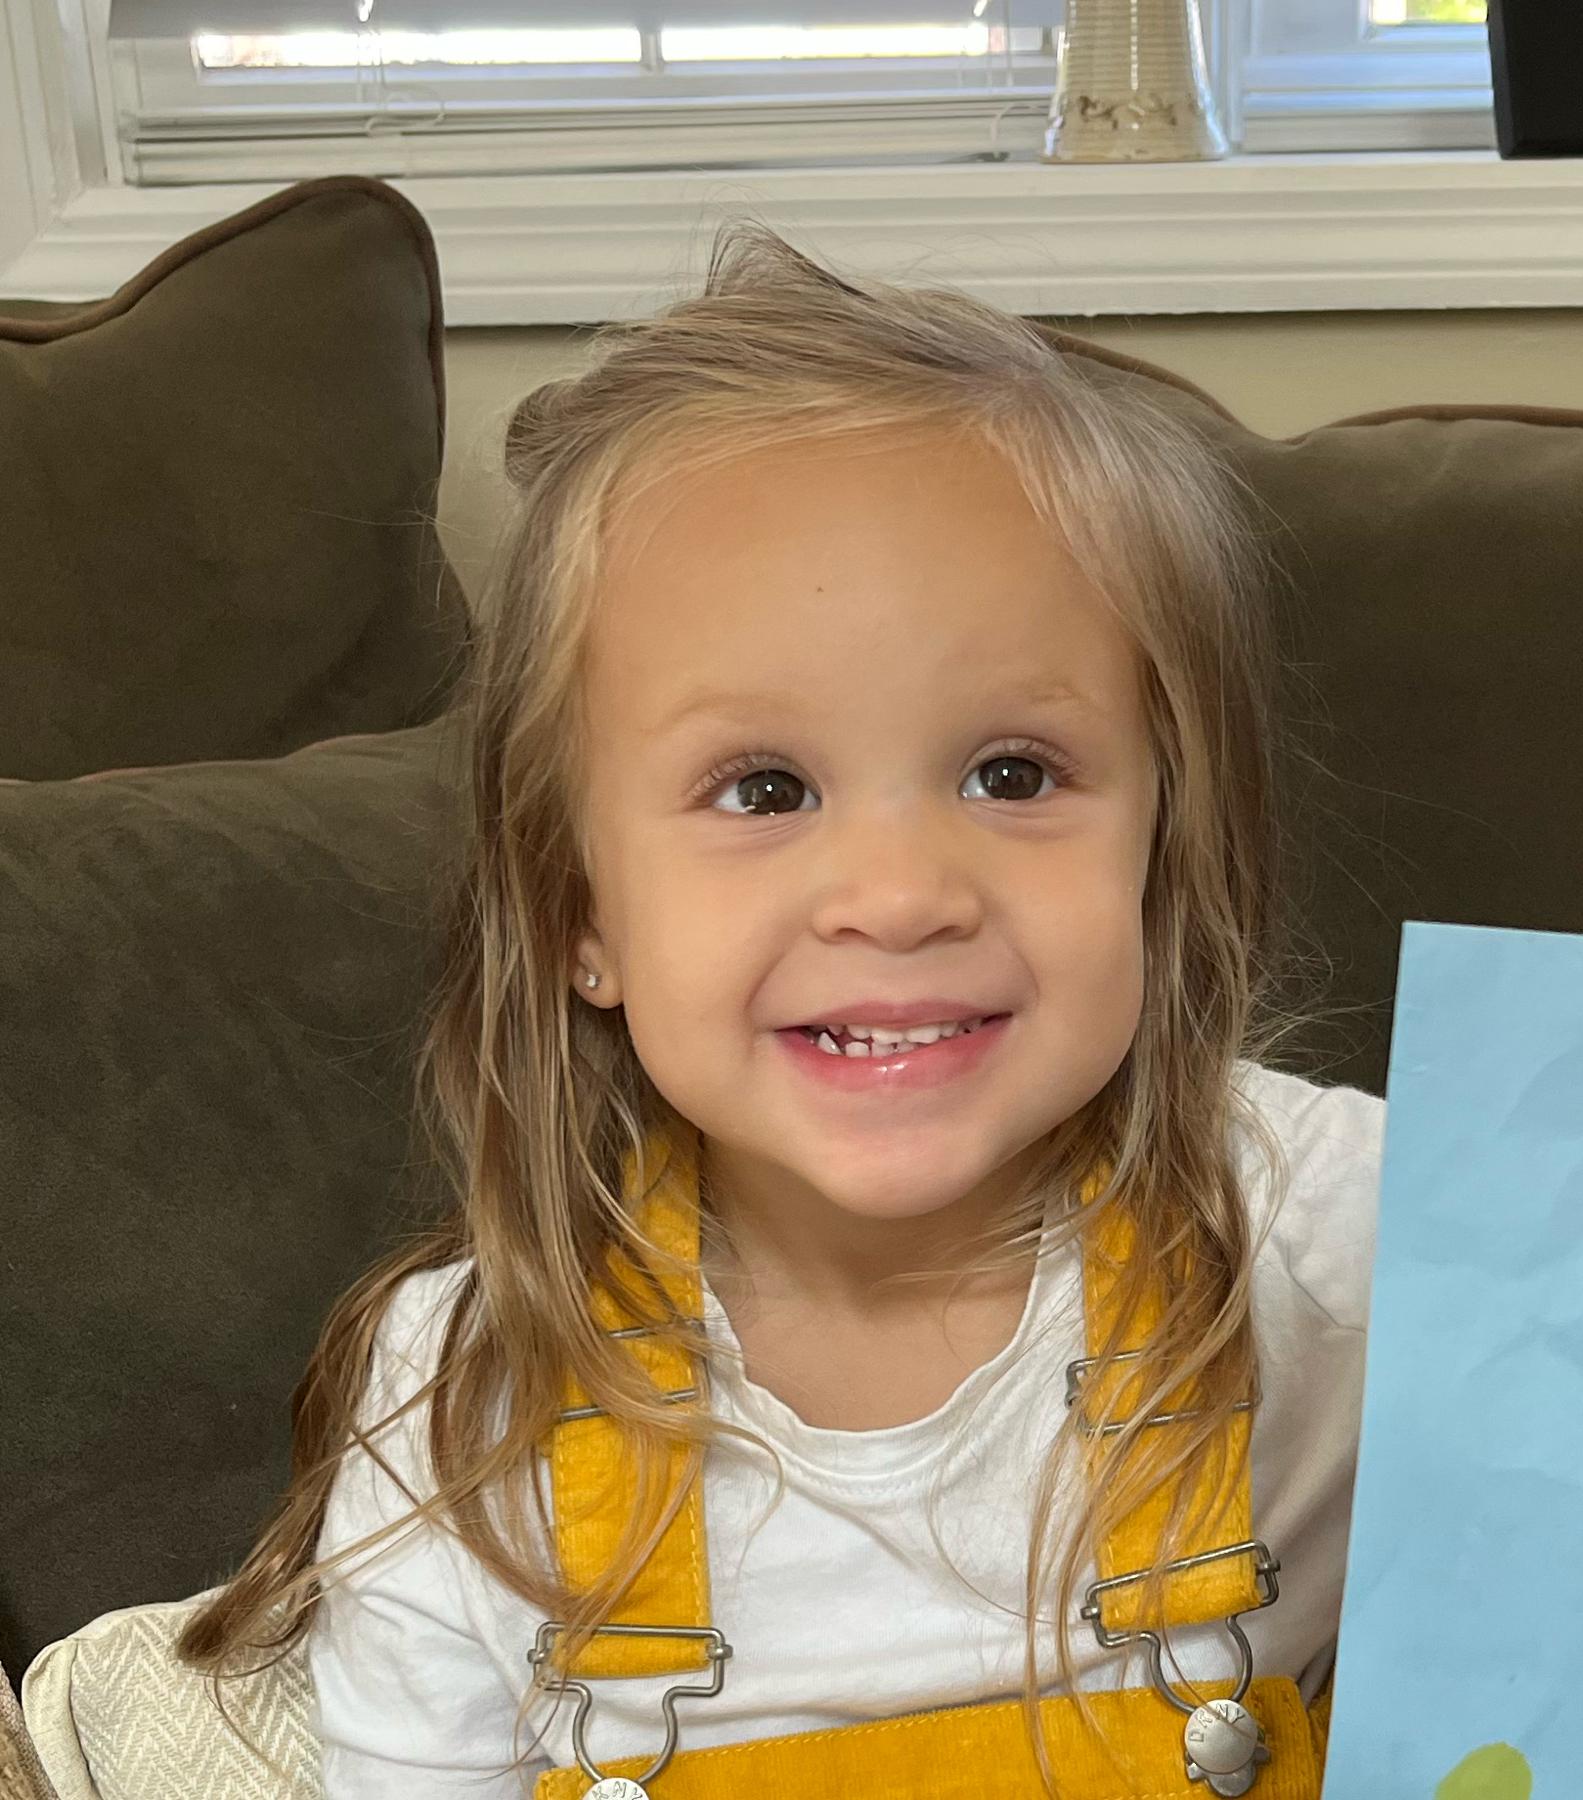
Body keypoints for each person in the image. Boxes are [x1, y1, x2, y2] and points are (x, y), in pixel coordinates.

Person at [175, 217, 1385, 1800]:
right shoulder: (467, 1404)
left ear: (1164, 849)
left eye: (1012, 773)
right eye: (764, 789)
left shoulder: (1339, 1234)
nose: (899, 893)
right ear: (579, 910)